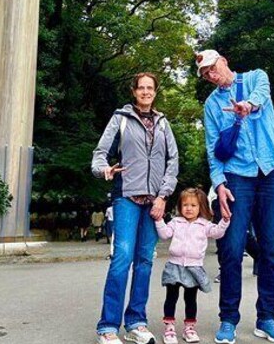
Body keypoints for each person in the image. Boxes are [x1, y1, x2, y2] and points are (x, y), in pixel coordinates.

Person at [196, 49, 274, 344]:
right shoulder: (211, 105)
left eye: (212, 68)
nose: (211, 75)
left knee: (271, 249)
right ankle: (228, 319)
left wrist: (248, 105)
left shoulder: (255, 78)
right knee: (232, 249)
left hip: (271, 169)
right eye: (206, 74)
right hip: (237, 176)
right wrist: (219, 183)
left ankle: (267, 317)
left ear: (223, 61)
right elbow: (213, 147)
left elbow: (262, 94)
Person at [91, 72, 179, 344]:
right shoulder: (121, 118)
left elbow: (173, 161)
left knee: (145, 261)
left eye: (150, 88)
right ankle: (107, 327)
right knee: (122, 258)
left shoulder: (163, 123)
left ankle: (136, 323)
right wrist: (103, 170)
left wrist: (163, 196)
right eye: (141, 87)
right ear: (134, 91)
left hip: (154, 202)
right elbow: (99, 154)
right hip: (126, 196)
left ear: (155, 92)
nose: (145, 92)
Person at [155, 188, 230, 344]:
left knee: (190, 299)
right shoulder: (176, 222)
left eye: (193, 205)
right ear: (180, 206)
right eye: (185, 205)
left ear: (201, 207)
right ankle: (169, 328)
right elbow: (165, 234)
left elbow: (217, 233)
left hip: (194, 267)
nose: (189, 208)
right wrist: (159, 220)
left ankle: (189, 328)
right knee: (171, 297)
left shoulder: (205, 225)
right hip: (174, 265)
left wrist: (224, 221)